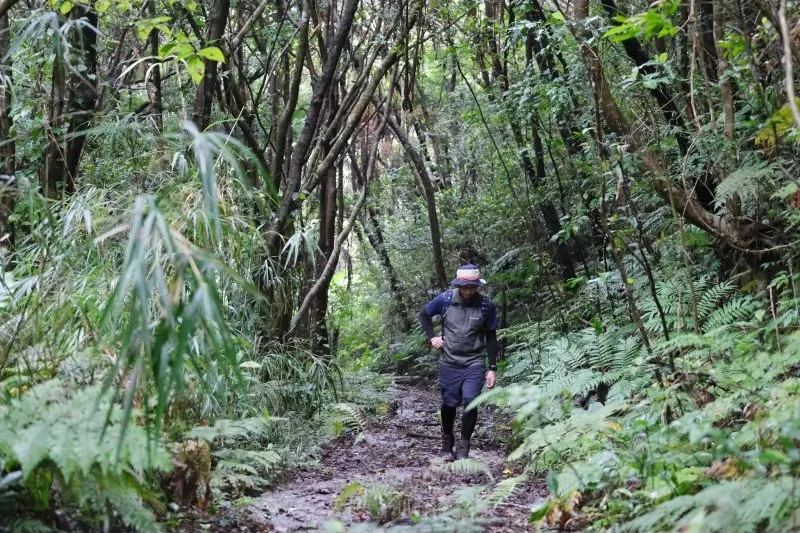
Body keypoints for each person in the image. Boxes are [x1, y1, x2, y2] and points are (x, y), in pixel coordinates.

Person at [418, 264, 499, 459]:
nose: (469, 291)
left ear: (477, 286)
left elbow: (491, 336)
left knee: (471, 402)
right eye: (465, 287)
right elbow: (424, 314)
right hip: (449, 362)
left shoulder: (486, 305)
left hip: (474, 362)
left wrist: (492, 368)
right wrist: (432, 337)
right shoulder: (446, 300)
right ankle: (447, 443)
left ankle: (463, 447)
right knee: (449, 404)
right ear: (458, 285)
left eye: (473, 287)